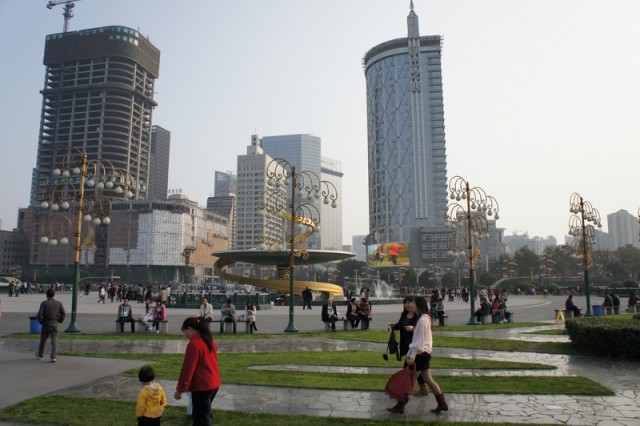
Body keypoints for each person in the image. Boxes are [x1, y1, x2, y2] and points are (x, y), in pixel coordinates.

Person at [388, 296, 448, 414]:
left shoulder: (422, 320)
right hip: (424, 354)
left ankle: (400, 405)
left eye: (413, 303)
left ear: (418, 305)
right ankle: (442, 403)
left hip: (419, 355)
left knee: (409, 381)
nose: (411, 305)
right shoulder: (425, 318)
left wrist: (412, 356)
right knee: (428, 380)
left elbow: (419, 342)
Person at [175, 317, 221, 426]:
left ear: (190, 329)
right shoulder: (210, 340)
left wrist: (180, 389)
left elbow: (188, 369)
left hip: (202, 386)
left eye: (185, 332)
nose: (186, 335)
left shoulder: (194, 344)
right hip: (213, 383)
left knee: (202, 419)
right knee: (202, 414)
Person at [388, 296, 429, 396]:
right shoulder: (404, 314)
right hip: (406, 344)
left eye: (410, 302)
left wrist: (413, 328)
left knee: (409, 368)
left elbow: (420, 329)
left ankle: (404, 391)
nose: (407, 305)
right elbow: (400, 325)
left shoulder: (418, 316)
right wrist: (394, 326)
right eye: (405, 303)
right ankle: (423, 387)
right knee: (420, 369)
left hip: (415, 345)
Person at [35, 289, 66, 363]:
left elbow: (40, 314)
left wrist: (41, 321)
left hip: (46, 323)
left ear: (47, 295)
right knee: (54, 340)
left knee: (43, 340)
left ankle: (40, 355)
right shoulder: (59, 303)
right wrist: (59, 320)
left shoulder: (44, 303)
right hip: (54, 323)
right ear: (54, 295)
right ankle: (53, 357)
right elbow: (63, 313)